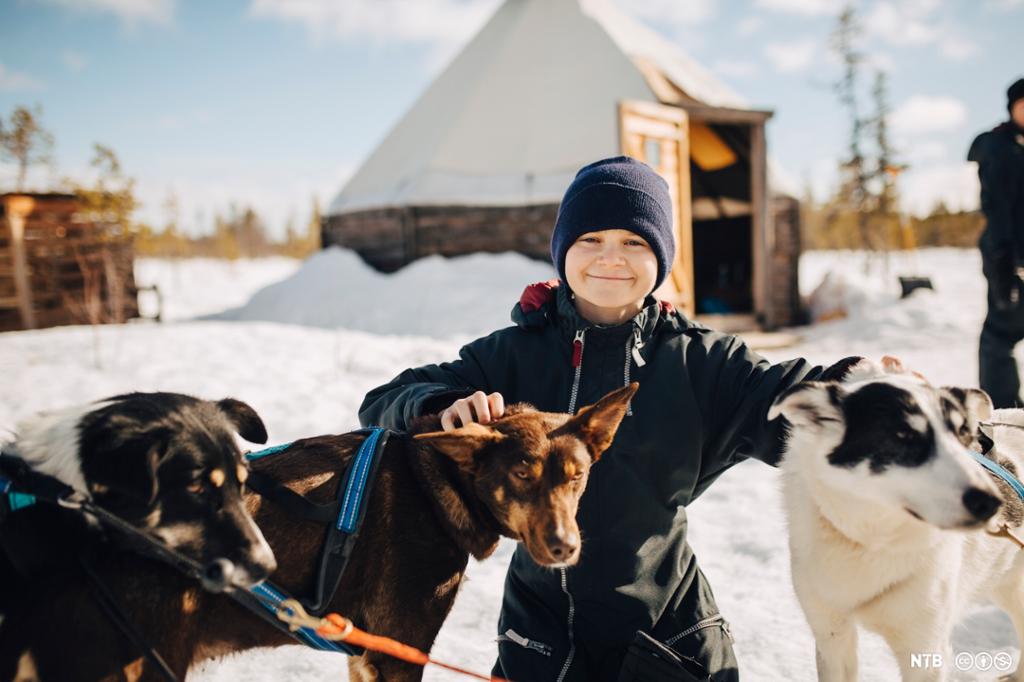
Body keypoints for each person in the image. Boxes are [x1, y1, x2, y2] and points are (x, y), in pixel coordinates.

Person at [359, 156, 848, 681]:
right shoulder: (512, 355)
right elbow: (385, 401)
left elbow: (791, 402)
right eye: (590, 239)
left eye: (634, 242)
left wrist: (861, 386)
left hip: (666, 636)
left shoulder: (702, 362)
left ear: (660, 258)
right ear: (562, 251)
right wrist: (439, 405)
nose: (610, 258)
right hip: (539, 639)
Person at [969, 77, 1024, 409]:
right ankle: (1003, 413)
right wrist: (1005, 260)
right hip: (1009, 256)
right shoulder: (1000, 147)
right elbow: (999, 207)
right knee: (1001, 334)